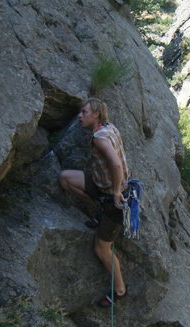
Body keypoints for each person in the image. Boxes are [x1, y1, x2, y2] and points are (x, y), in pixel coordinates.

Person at [59, 97, 130, 307]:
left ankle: (119, 290)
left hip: (115, 198)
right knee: (65, 178)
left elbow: (116, 165)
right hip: (102, 187)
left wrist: (116, 192)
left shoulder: (99, 138)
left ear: (95, 114)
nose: (80, 116)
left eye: (84, 112)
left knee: (102, 248)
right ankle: (97, 206)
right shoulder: (110, 127)